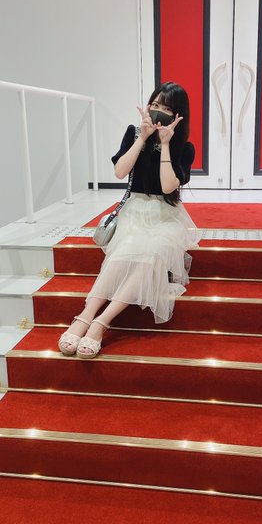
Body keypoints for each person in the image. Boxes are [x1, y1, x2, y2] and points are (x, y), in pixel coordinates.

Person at [58, 81, 200, 359]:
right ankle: (84, 317)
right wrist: (142, 139)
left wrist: (166, 144)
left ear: (178, 115)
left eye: (166, 109)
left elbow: (168, 186)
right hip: (134, 211)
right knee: (122, 253)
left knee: (151, 255)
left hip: (166, 217)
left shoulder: (185, 147)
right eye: (155, 105)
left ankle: (100, 323)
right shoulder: (133, 133)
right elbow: (120, 172)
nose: (158, 112)